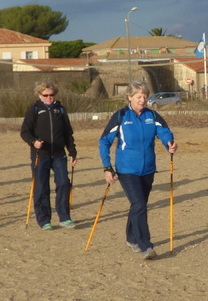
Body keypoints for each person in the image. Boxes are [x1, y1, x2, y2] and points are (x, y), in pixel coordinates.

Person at [98, 82, 177, 260]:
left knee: (138, 205)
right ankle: (145, 245)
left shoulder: (152, 115)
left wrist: (169, 143)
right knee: (140, 205)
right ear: (130, 97)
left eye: (145, 96)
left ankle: (131, 238)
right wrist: (107, 167)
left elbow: (164, 131)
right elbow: (104, 141)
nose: (143, 100)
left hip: (148, 169)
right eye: (139, 96)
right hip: (127, 169)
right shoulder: (120, 116)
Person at [20, 81, 79, 230]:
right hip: (40, 154)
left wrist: (72, 151)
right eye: (45, 95)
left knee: (64, 183)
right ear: (39, 95)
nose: (49, 98)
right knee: (41, 187)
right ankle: (44, 219)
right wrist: (33, 142)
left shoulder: (60, 109)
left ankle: (64, 217)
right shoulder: (34, 109)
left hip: (59, 154)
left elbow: (68, 133)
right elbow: (25, 131)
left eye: (51, 95)